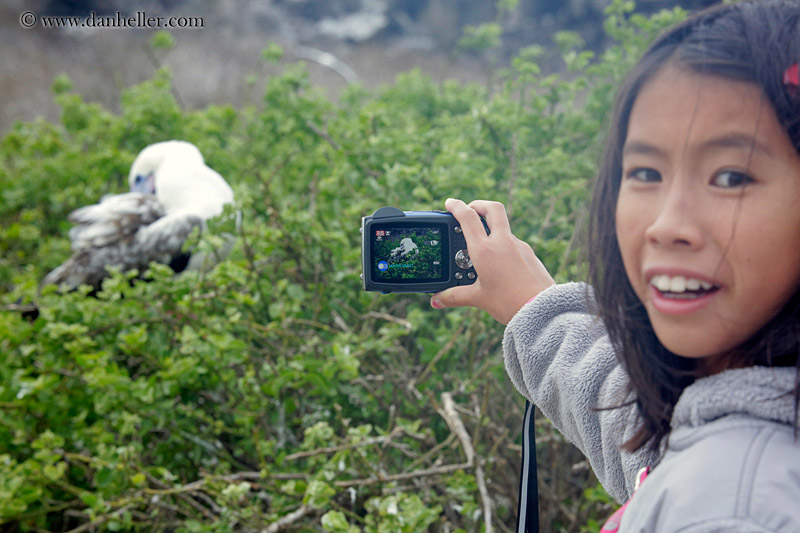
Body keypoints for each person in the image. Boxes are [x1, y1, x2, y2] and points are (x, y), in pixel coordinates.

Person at [430, 1, 800, 530]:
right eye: (646, 171)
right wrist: (532, 306)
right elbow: (650, 443)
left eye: (731, 177)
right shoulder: (733, 431)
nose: (667, 223)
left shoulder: (731, 506)